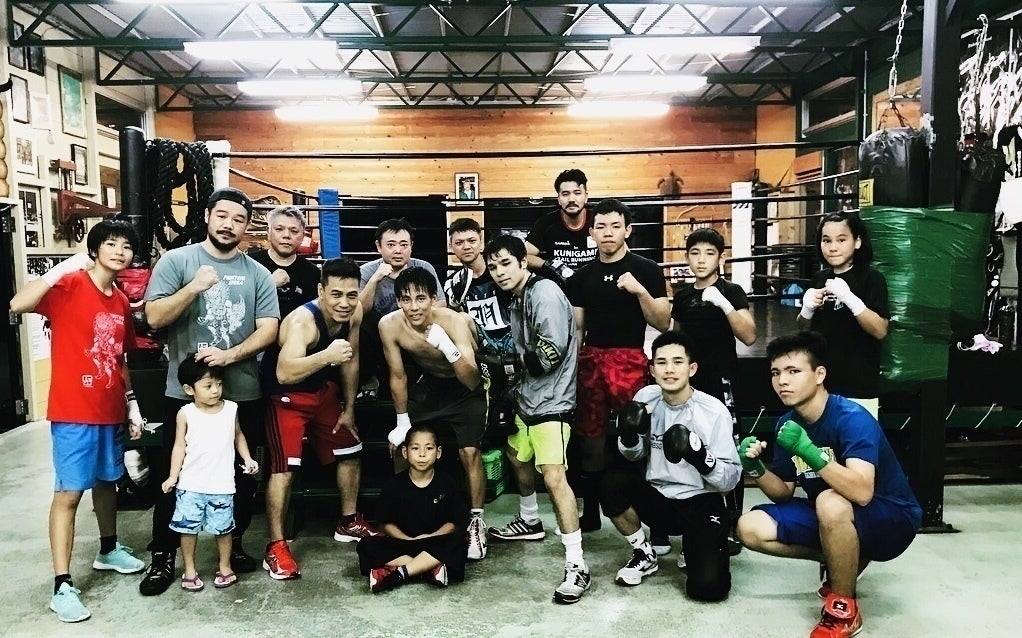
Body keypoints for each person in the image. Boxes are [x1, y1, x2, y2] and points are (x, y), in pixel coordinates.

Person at [140, 187, 280, 596]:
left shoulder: (257, 273)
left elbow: (269, 328)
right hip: (185, 395)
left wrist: (229, 355)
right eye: (222, 215)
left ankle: (231, 546)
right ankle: (163, 555)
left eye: (238, 219)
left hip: (242, 392)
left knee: (241, 477)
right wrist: (193, 289)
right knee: (175, 475)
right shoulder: (178, 261)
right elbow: (154, 316)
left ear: (246, 226)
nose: (228, 224)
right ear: (206, 216)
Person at [736, 331, 922, 638]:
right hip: (834, 515)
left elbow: (862, 492)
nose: (783, 381)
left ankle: (844, 610)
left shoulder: (851, 418)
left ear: (819, 374)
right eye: (776, 373)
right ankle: (844, 558)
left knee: (829, 501)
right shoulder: (787, 423)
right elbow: (783, 492)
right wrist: (755, 468)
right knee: (749, 527)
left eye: (793, 371)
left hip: (891, 519)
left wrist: (809, 451)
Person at [10, 219, 146, 623]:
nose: (119, 251)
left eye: (126, 246)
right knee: (69, 494)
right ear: (95, 249)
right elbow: (17, 304)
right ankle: (62, 585)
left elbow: (119, 359)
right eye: (111, 243)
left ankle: (109, 549)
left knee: (107, 483)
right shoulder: (69, 285)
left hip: (109, 409)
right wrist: (61, 269)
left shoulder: (120, 301)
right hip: (72, 411)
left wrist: (132, 404)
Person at [483, 235, 591, 605]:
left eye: (505, 263)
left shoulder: (543, 292)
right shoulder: (517, 298)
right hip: (528, 398)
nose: (499, 272)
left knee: (554, 476)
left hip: (553, 401)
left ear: (522, 262)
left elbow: (550, 352)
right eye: (493, 266)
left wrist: (506, 366)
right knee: (516, 456)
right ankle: (530, 519)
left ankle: (577, 564)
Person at [261, 258, 380, 581]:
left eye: (351, 295)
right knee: (284, 469)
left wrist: (349, 407)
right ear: (321, 291)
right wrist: (327, 355)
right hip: (286, 396)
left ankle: (348, 521)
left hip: (321, 391)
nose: (344, 303)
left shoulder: (354, 312)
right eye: (336, 294)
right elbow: (284, 372)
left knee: (350, 449)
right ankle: (276, 545)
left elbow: (350, 360)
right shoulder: (303, 323)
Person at [602, 330, 740, 601]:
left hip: (700, 501)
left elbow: (731, 479)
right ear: (652, 370)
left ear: (692, 369)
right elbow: (634, 455)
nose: (669, 370)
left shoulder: (714, 411)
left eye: (678, 362)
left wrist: (701, 458)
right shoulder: (646, 397)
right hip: (659, 498)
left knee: (708, 589)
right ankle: (644, 552)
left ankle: (694, 546)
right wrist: (628, 436)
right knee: (612, 483)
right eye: (662, 362)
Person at [565, 198, 670, 531]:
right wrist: (572, 370)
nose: (607, 232)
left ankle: (651, 515)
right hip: (592, 359)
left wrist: (639, 292)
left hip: (630, 359)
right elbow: (577, 329)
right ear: (592, 232)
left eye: (615, 226)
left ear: (628, 230)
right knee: (590, 438)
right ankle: (591, 511)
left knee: (637, 435)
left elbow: (663, 322)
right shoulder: (582, 277)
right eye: (601, 226)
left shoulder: (647, 269)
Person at [378, 267, 489, 561]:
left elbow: (472, 380)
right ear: (398, 301)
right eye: (406, 299)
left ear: (433, 299)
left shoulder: (453, 321)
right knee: (402, 446)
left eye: (420, 298)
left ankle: (475, 522)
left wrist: (448, 348)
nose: (413, 307)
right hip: (430, 387)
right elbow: (397, 376)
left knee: (469, 452)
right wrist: (402, 421)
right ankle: (403, 516)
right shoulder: (389, 325)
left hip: (465, 388)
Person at [669, 227, 756, 557]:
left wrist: (723, 305)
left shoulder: (731, 291)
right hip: (690, 386)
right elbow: (676, 339)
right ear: (687, 257)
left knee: (728, 449)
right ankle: (694, 519)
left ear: (721, 257)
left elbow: (749, 335)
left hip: (722, 382)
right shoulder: (683, 296)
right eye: (695, 253)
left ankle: (732, 524)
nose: (701, 260)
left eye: (709, 253)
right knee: (688, 447)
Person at [161, 357, 259, 592]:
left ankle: (225, 567)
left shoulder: (231, 409)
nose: (216, 390)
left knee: (224, 530)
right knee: (187, 529)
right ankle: (189, 570)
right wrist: (173, 476)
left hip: (222, 485)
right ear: (189, 390)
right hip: (190, 485)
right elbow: (179, 446)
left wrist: (248, 459)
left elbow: (238, 436)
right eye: (208, 386)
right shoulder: (185, 413)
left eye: (219, 384)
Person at [357, 423, 470, 593]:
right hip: (403, 543)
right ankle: (429, 569)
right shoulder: (394, 485)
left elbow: (453, 523)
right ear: (405, 452)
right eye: (415, 448)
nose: (422, 454)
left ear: (438, 452)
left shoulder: (448, 483)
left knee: (458, 542)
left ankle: (399, 574)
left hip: (434, 542)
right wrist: (408, 540)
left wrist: (430, 536)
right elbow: (386, 524)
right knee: (366, 545)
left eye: (429, 448)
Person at [797, 211, 889, 418]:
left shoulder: (871, 278)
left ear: (857, 242)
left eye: (841, 239)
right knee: (821, 439)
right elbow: (804, 331)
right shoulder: (819, 279)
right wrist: (807, 309)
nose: (833, 247)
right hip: (820, 386)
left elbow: (880, 330)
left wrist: (850, 299)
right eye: (826, 240)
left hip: (858, 387)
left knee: (857, 439)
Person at [443, 218, 516, 437]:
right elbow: (455, 321)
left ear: (482, 242)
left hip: (511, 340)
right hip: (479, 348)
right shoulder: (453, 283)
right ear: (451, 246)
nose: (466, 246)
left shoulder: (501, 273)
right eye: (459, 242)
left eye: (471, 240)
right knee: (461, 318)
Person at [358, 218, 447, 398]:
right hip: (378, 339)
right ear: (379, 246)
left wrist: (408, 319)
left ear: (411, 246)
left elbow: (440, 303)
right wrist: (375, 279)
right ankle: (369, 381)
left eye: (404, 245)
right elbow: (359, 311)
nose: (398, 250)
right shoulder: (367, 271)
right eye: (391, 245)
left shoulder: (423, 268)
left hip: (415, 333)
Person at [524, 168, 598, 286]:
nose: (571, 199)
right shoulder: (546, 223)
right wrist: (552, 266)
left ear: (586, 197)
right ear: (559, 199)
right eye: (565, 194)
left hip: (593, 285)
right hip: (558, 286)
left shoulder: (598, 220)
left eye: (577, 193)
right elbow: (524, 256)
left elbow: (622, 251)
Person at [249, 205, 321, 319]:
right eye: (279, 229)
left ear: (303, 235)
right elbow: (237, 304)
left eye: (294, 231)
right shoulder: (250, 264)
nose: (286, 235)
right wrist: (269, 283)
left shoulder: (313, 274)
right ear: (268, 232)